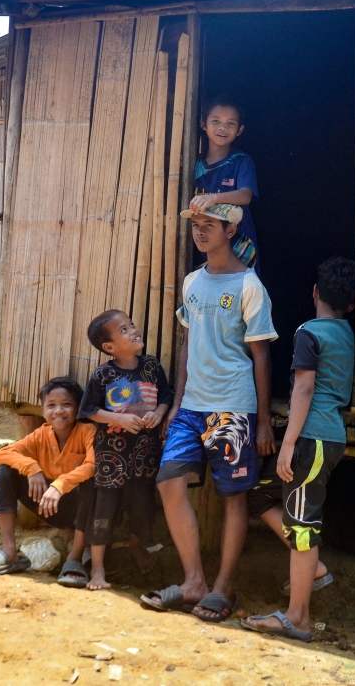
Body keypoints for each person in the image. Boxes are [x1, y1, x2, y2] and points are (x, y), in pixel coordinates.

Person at [141, 203, 278, 623]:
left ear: (230, 228)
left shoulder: (249, 285)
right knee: (168, 480)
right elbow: (188, 346)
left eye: (208, 225)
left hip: (231, 407)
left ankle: (223, 588)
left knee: (233, 497)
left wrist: (263, 418)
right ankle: (194, 580)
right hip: (192, 405)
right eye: (196, 226)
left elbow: (260, 356)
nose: (200, 232)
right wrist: (177, 402)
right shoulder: (192, 282)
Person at [240, 257, 355, 642]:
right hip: (325, 436)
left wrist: (288, 442)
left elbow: (305, 388)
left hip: (313, 437)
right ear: (353, 305)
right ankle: (316, 570)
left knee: (303, 526)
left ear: (314, 293)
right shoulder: (344, 331)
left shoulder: (309, 331)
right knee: (258, 493)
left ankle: (298, 619)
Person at [78, 309, 173, 590]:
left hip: (145, 452)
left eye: (131, 325)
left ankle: (136, 546)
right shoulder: (103, 374)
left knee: (143, 505)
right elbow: (88, 410)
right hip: (111, 454)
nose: (133, 330)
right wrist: (118, 418)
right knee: (104, 507)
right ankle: (97, 568)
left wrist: (159, 412)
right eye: (123, 330)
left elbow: (166, 395)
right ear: (109, 347)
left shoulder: (152, 367)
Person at [0, 377, 95, 580]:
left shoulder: (87, 432)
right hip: (46, 506)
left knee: (91, 484)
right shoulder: (40, 435)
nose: (58, 411)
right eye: (51, 405)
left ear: (78, 408)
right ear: (43, 411)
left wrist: (60, 485)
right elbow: (3, 453)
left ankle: (74, 558)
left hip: (79, 509)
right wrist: (32, 468)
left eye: (66, 404)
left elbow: (92, 465)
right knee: (5, 471)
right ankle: (9, 552)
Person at [189, 95, 260, 270]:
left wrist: (213, 198)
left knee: (241, 293)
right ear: (203, 124)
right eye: (216, 121)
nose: (222, 128)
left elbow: (245, 195)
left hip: (239, 247)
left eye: (230, 123)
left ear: (240, 130)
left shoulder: (241, 161)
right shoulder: (194, 164)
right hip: (204, 244)